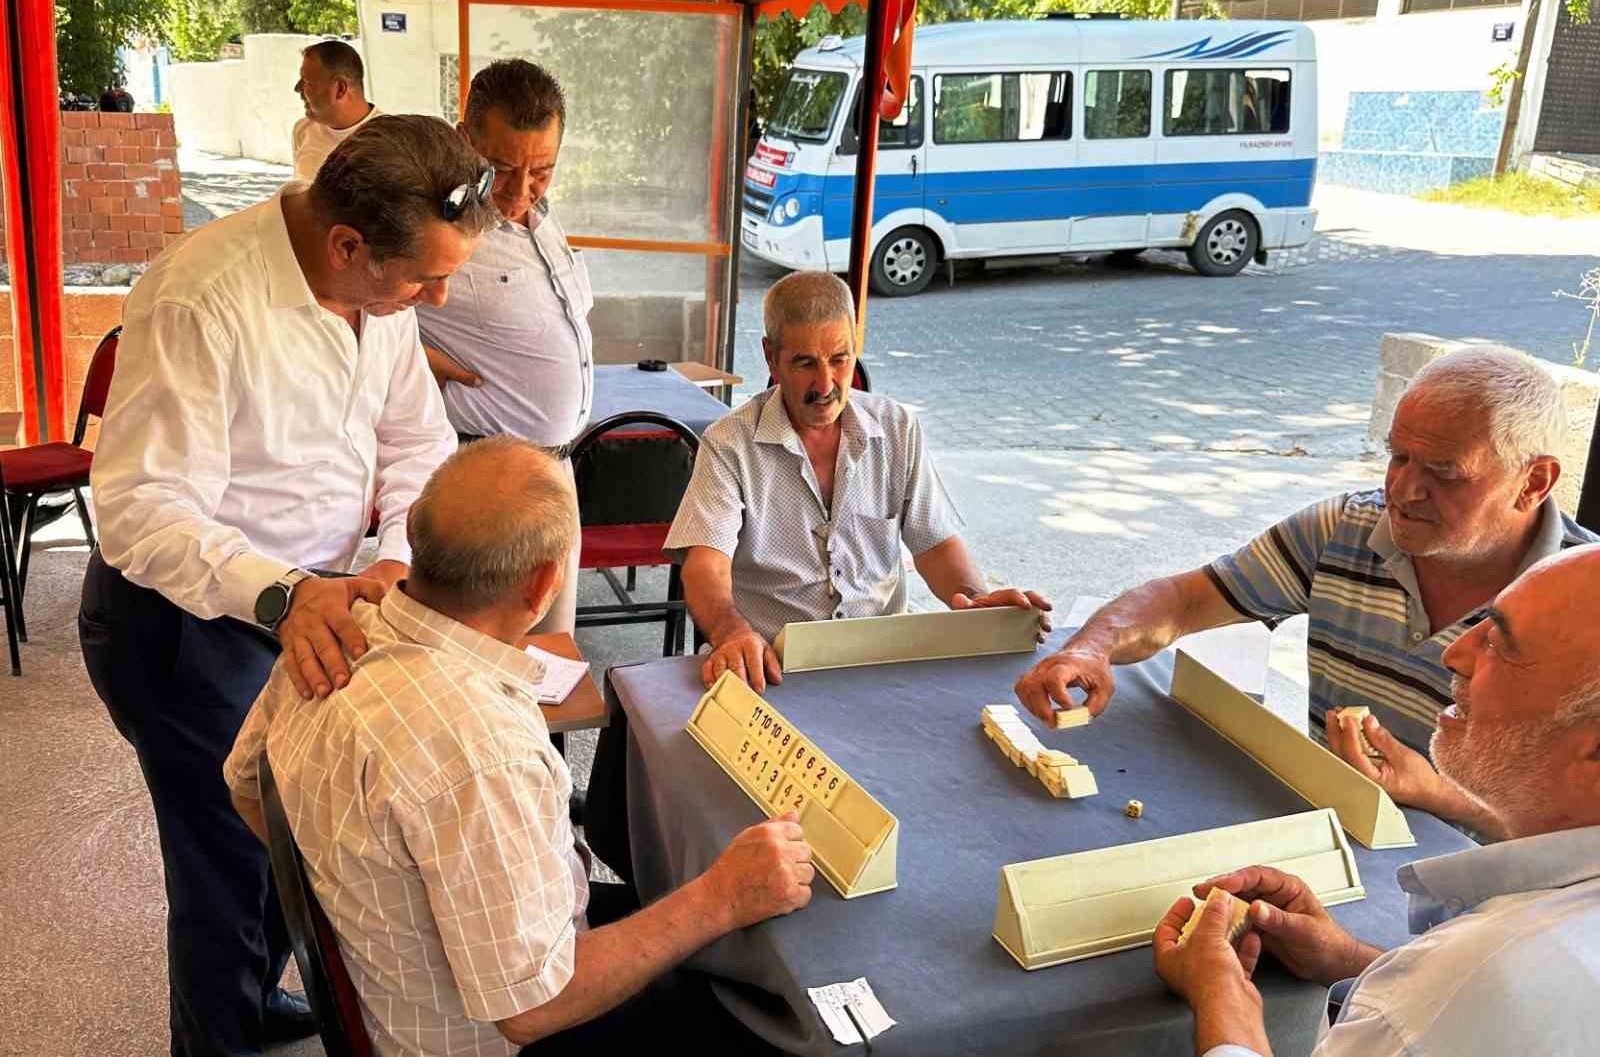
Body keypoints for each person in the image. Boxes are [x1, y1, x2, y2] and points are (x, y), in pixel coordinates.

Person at [79, 115, 496, 1057]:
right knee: (226, 859)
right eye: (425, 278)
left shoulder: (376, 299)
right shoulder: (199, 297)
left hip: (320, 595)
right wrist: (285, 593)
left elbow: (415, 442)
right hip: (186, 616)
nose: (436, 296)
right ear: (348, 243)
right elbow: (141, 511)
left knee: (295, 832)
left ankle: (256, 999)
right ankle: (218, 1038)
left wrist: (396, 549)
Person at [224, 437, 812, 1055]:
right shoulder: (482, 751)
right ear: (543, 586)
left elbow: (243, 784)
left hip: (421, 984)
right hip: (495, 1037)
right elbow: (535, 1008)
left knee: (688, 920)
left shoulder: (330, 637)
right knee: (759, 1008)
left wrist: (366, 903)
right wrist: (719, 898)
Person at [1015, 346, 1594, 836]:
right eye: (1397, 456)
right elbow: (1186, 601)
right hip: (1328, 835)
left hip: (1496, 905)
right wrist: (1092, 647)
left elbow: (1581, 844)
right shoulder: (1347, 527)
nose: (1403, 490)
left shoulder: (1584, 601)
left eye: (1444, 472)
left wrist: (1435, 794)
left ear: (1534, 481)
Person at [1152, 542, 1600, 1057]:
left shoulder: (1479, 987)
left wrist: (1223, 1002)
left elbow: (1453, 1008)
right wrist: (1358, 962)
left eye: (1500, 644)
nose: (1453, 653)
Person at [665, 270, 1051, 694]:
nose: (826, 385)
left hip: (882, 659)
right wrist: (729, 632)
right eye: (805, 363)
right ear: (771, 357)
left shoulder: (898, 428)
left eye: (839, 359)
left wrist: (976, 601)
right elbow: (706, 565)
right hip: (771, 664)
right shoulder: (728, 443)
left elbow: (936, 544)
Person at [416, 59, 594, 637]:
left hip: (556, 468)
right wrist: (408, 352)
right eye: (502, 169)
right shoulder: (431, 220)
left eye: (542, 169)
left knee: (549, 663)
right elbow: (347, 302)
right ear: (466, 139)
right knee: (478, 664)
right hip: (486, 482)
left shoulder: (542, 216)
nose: (521, 190)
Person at [291, 40, 382, 182]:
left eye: (307, 82)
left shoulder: (390, 139)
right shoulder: (303, 130)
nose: (297, 89)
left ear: (340, 88)